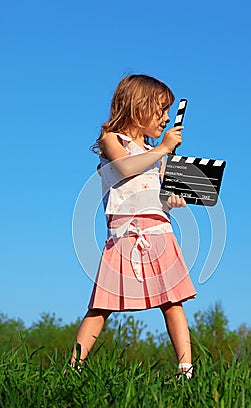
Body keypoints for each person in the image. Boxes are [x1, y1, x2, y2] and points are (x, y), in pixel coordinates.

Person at [71, 74, 197, 378]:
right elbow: (125, 168)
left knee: (172, 301)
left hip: (160, 233)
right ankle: (73, 369)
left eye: (168, 111)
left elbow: (156, 196)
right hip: (124, 235)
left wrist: (173, 200)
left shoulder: (157, 158)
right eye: (160, 110)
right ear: (138, 107)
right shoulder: (112, 140)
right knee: (102, 305)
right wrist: (163, 149)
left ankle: (185, 370)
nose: (166, 118)